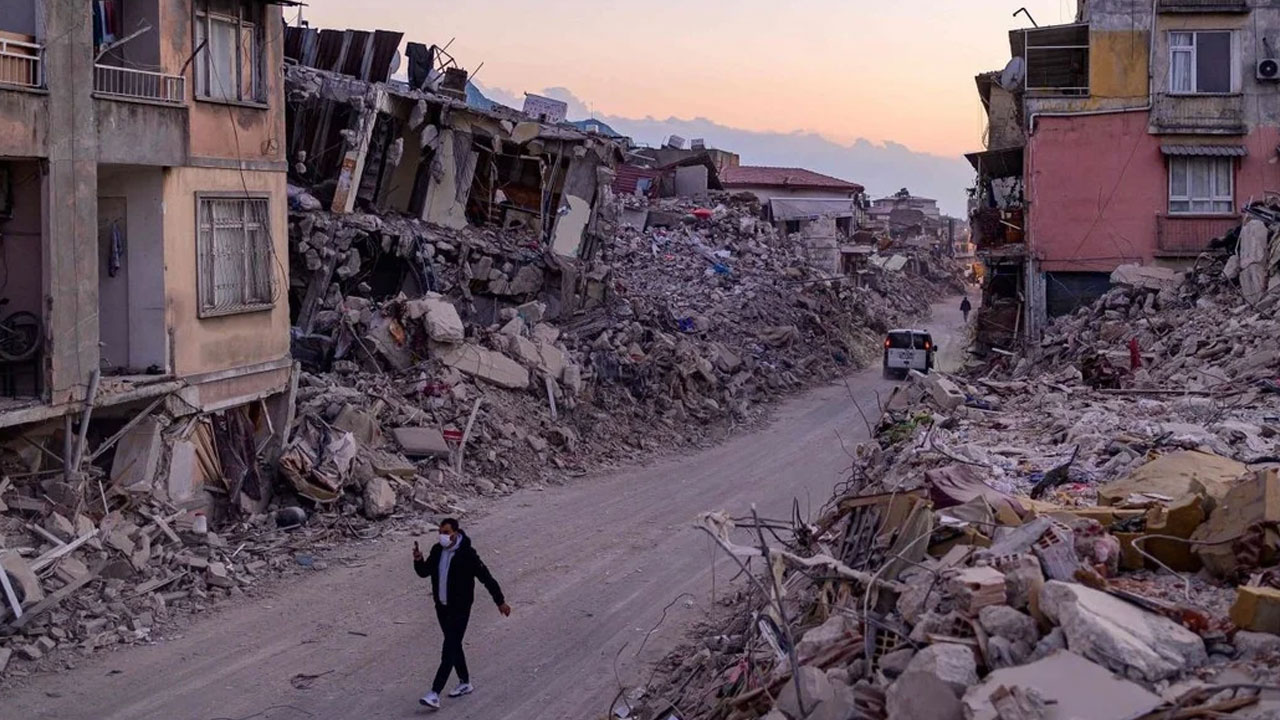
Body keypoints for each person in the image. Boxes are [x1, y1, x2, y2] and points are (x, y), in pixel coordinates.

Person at [413, 518, 510, 709]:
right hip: (442, 607)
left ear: (456, 533)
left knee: (448, 649)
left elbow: (486, 577)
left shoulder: (467, 555)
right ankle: (465, 682)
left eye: (446, 532)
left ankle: (434, 693)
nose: (443, 536)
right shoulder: (437, 550)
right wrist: (418, 560)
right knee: (454, 645)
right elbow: (425, 572)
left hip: (460, 609)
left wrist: (500, 601)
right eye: (440, 532)